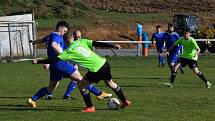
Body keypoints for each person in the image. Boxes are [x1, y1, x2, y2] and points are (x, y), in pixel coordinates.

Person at [34, 32, 131, 112]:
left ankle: (90, 107)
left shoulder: (68, 51)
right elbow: (96, 43)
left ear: (65, 41)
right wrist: (113, 46)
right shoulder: (82, 41)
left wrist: (38, 61)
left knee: (81, 85)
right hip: (104, 63)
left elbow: (54, 60)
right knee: (110, 83)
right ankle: (125, 101)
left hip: (95, 68)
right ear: (73, 38)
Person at [27, 21, 111, 109]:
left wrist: (34, 42)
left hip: (54, 65)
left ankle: (32, 99)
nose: (65, 33)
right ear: (61, 28)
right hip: (61, 63)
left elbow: (41, 40)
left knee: (51, 88)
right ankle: (99, 94)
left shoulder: (50, 35)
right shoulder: (57, 36)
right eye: (65, 31)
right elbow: (53, 45)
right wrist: (62, 54)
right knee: (81, 80)